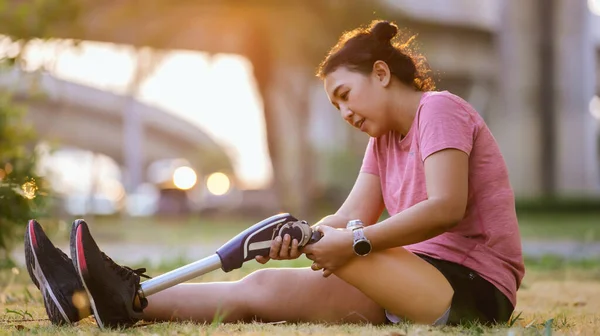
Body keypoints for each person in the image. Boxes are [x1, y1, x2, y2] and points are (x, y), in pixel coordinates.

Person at [24, 19, 525, 329]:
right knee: (260, 288)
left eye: (345, 96)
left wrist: (348, 244)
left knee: (326, 243)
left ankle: (103, 292)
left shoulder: (438, 109)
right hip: (407, 282)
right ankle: (93, 299)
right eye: (335, 106)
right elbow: (349, 217)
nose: (344, 113)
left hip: (470, 290)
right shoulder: (381, 142)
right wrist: (300, 238)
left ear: (380, 73)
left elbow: (445, 207)